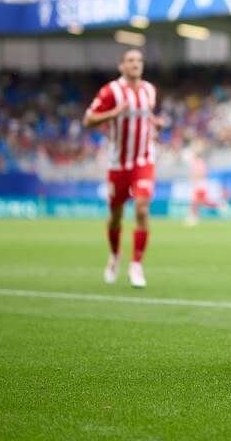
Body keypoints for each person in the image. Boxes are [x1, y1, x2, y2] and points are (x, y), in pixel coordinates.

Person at [84, 48, 166, 289]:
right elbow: (88, 120)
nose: (135, 64)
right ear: (121, 66)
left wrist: (155, 124)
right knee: (116, 217)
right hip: (118, 164)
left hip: (143, 160)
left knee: (142, 209)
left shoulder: (150, 90)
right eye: (130, 61)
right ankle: (114, 256)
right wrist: (113, 113)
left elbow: (146, 116)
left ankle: (136, 264)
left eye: (139, 60)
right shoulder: (111, 91)